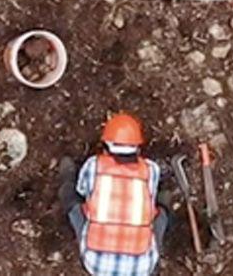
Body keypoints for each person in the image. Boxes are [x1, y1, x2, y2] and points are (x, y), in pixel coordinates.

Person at [57, 112, 168, 276]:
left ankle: (67, 177)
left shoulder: (94, 165)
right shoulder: (151, 169)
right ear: (137, 147)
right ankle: (166, 199)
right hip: (141, 267)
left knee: (72, 201)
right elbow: (150, 197)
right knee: (162, 213)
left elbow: (82, 191)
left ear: (106, 145)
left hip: (96, 263)